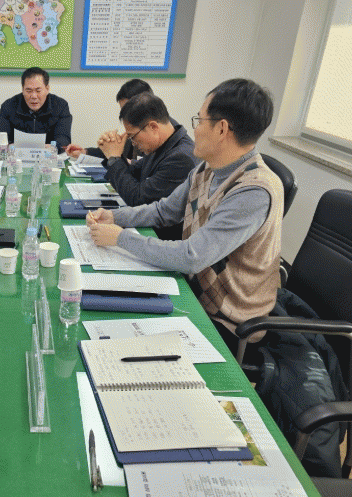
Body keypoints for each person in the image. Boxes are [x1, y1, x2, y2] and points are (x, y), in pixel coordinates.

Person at [88, 78, 283, 353]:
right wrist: (115, 218)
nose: (194, 128)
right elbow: (164, 210)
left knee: (116, 342)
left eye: (199, 120)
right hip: (192, 293)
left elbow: (192, 256)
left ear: (221, 128)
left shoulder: (254, 191)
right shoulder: (207, 168)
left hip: (226, 322)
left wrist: (120, 239)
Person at [95, 93, 197, 240]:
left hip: (163, 239)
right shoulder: (164, 144)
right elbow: (134, 173)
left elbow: (138, 200)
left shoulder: (181, 158)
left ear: (153, 127)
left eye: (132, 136)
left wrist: (114, 159)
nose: (133, 143)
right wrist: (114, 155)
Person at [66, 78, 152, 161]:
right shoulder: (132, 137)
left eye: (129, 111)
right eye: (123, 111)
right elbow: (108, 154)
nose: (126, 117)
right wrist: (84, 152)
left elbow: (138, 166)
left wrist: (115, 158)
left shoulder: (153, 141)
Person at [0, 67, 72, 151]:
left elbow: (64, 140)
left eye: (38, 91)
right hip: (16, 155)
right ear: (22, 89)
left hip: (48, 156)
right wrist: (12, 147)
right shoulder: (9, 106)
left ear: (47, 89)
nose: (33, 96)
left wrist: (45, 148)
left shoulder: (60, 106)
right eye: (29, 91)